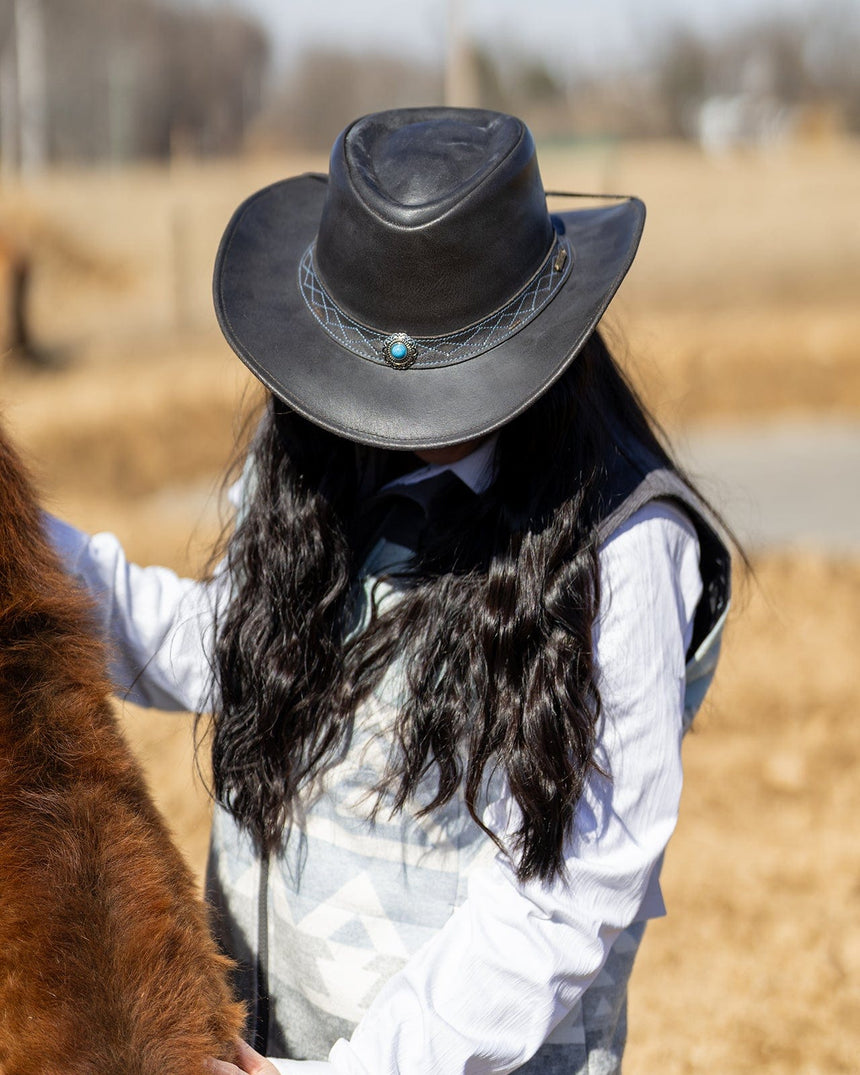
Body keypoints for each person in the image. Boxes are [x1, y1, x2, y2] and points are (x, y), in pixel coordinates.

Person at [49, 108, 731, 1074]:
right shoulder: (318, 451)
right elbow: (228, 646)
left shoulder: (621, 546)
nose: (386, 406)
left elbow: (574, 885)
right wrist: (30, 549)